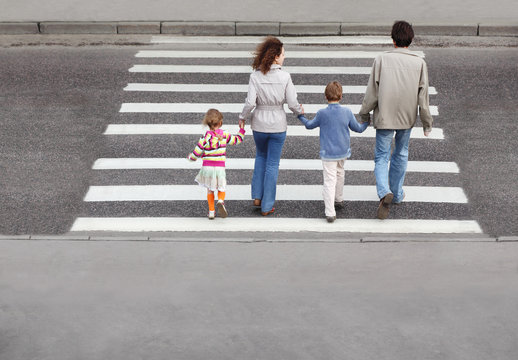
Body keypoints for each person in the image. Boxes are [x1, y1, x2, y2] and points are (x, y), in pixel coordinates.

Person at [358, 20, 433, 220]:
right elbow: (423, 98)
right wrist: (427, 123)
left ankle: (384, 192)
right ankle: (397, 194)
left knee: (381, 156)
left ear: (392, 40)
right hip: (407, 117)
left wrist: (364, 114)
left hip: (385, 115)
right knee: (401, 153)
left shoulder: (381, 60)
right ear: (411, 39)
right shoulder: (419, 63)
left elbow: (372, 92)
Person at [239, 36, 303, 216]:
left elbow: (250, 102)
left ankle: (257, 197)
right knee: (273, 164)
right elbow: (292, 102)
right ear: (275, 57)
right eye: (283, 54)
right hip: (277, 125)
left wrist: (242, 117)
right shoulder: (285, 77)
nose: (284, 57)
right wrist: (300, 111)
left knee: (260, 157)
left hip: (259, 123)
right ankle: (267, 205)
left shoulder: (255, 76)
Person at [298, 81, 369, 223]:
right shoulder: (347, 112)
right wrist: (367, 121)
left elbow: (309, 125)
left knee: (329, 180)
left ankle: (330, 212)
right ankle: (339, 198)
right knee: (340, 172)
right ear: (341, 96)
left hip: (328, 152)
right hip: (343, 151)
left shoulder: (322, 113)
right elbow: (359, 129)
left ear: (325, 96)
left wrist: (301, 116)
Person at [188, 109, 245, 219]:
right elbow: (237, 140)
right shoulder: (224, 135)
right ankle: (220, 201)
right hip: (219, 167)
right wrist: (241, 130)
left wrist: (191, 157)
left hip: (207, 168)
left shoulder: (204, 137)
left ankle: (211, 211)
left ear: (208, 124)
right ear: (220, 123)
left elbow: (197, 152)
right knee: (221, 187)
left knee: (210, 189)